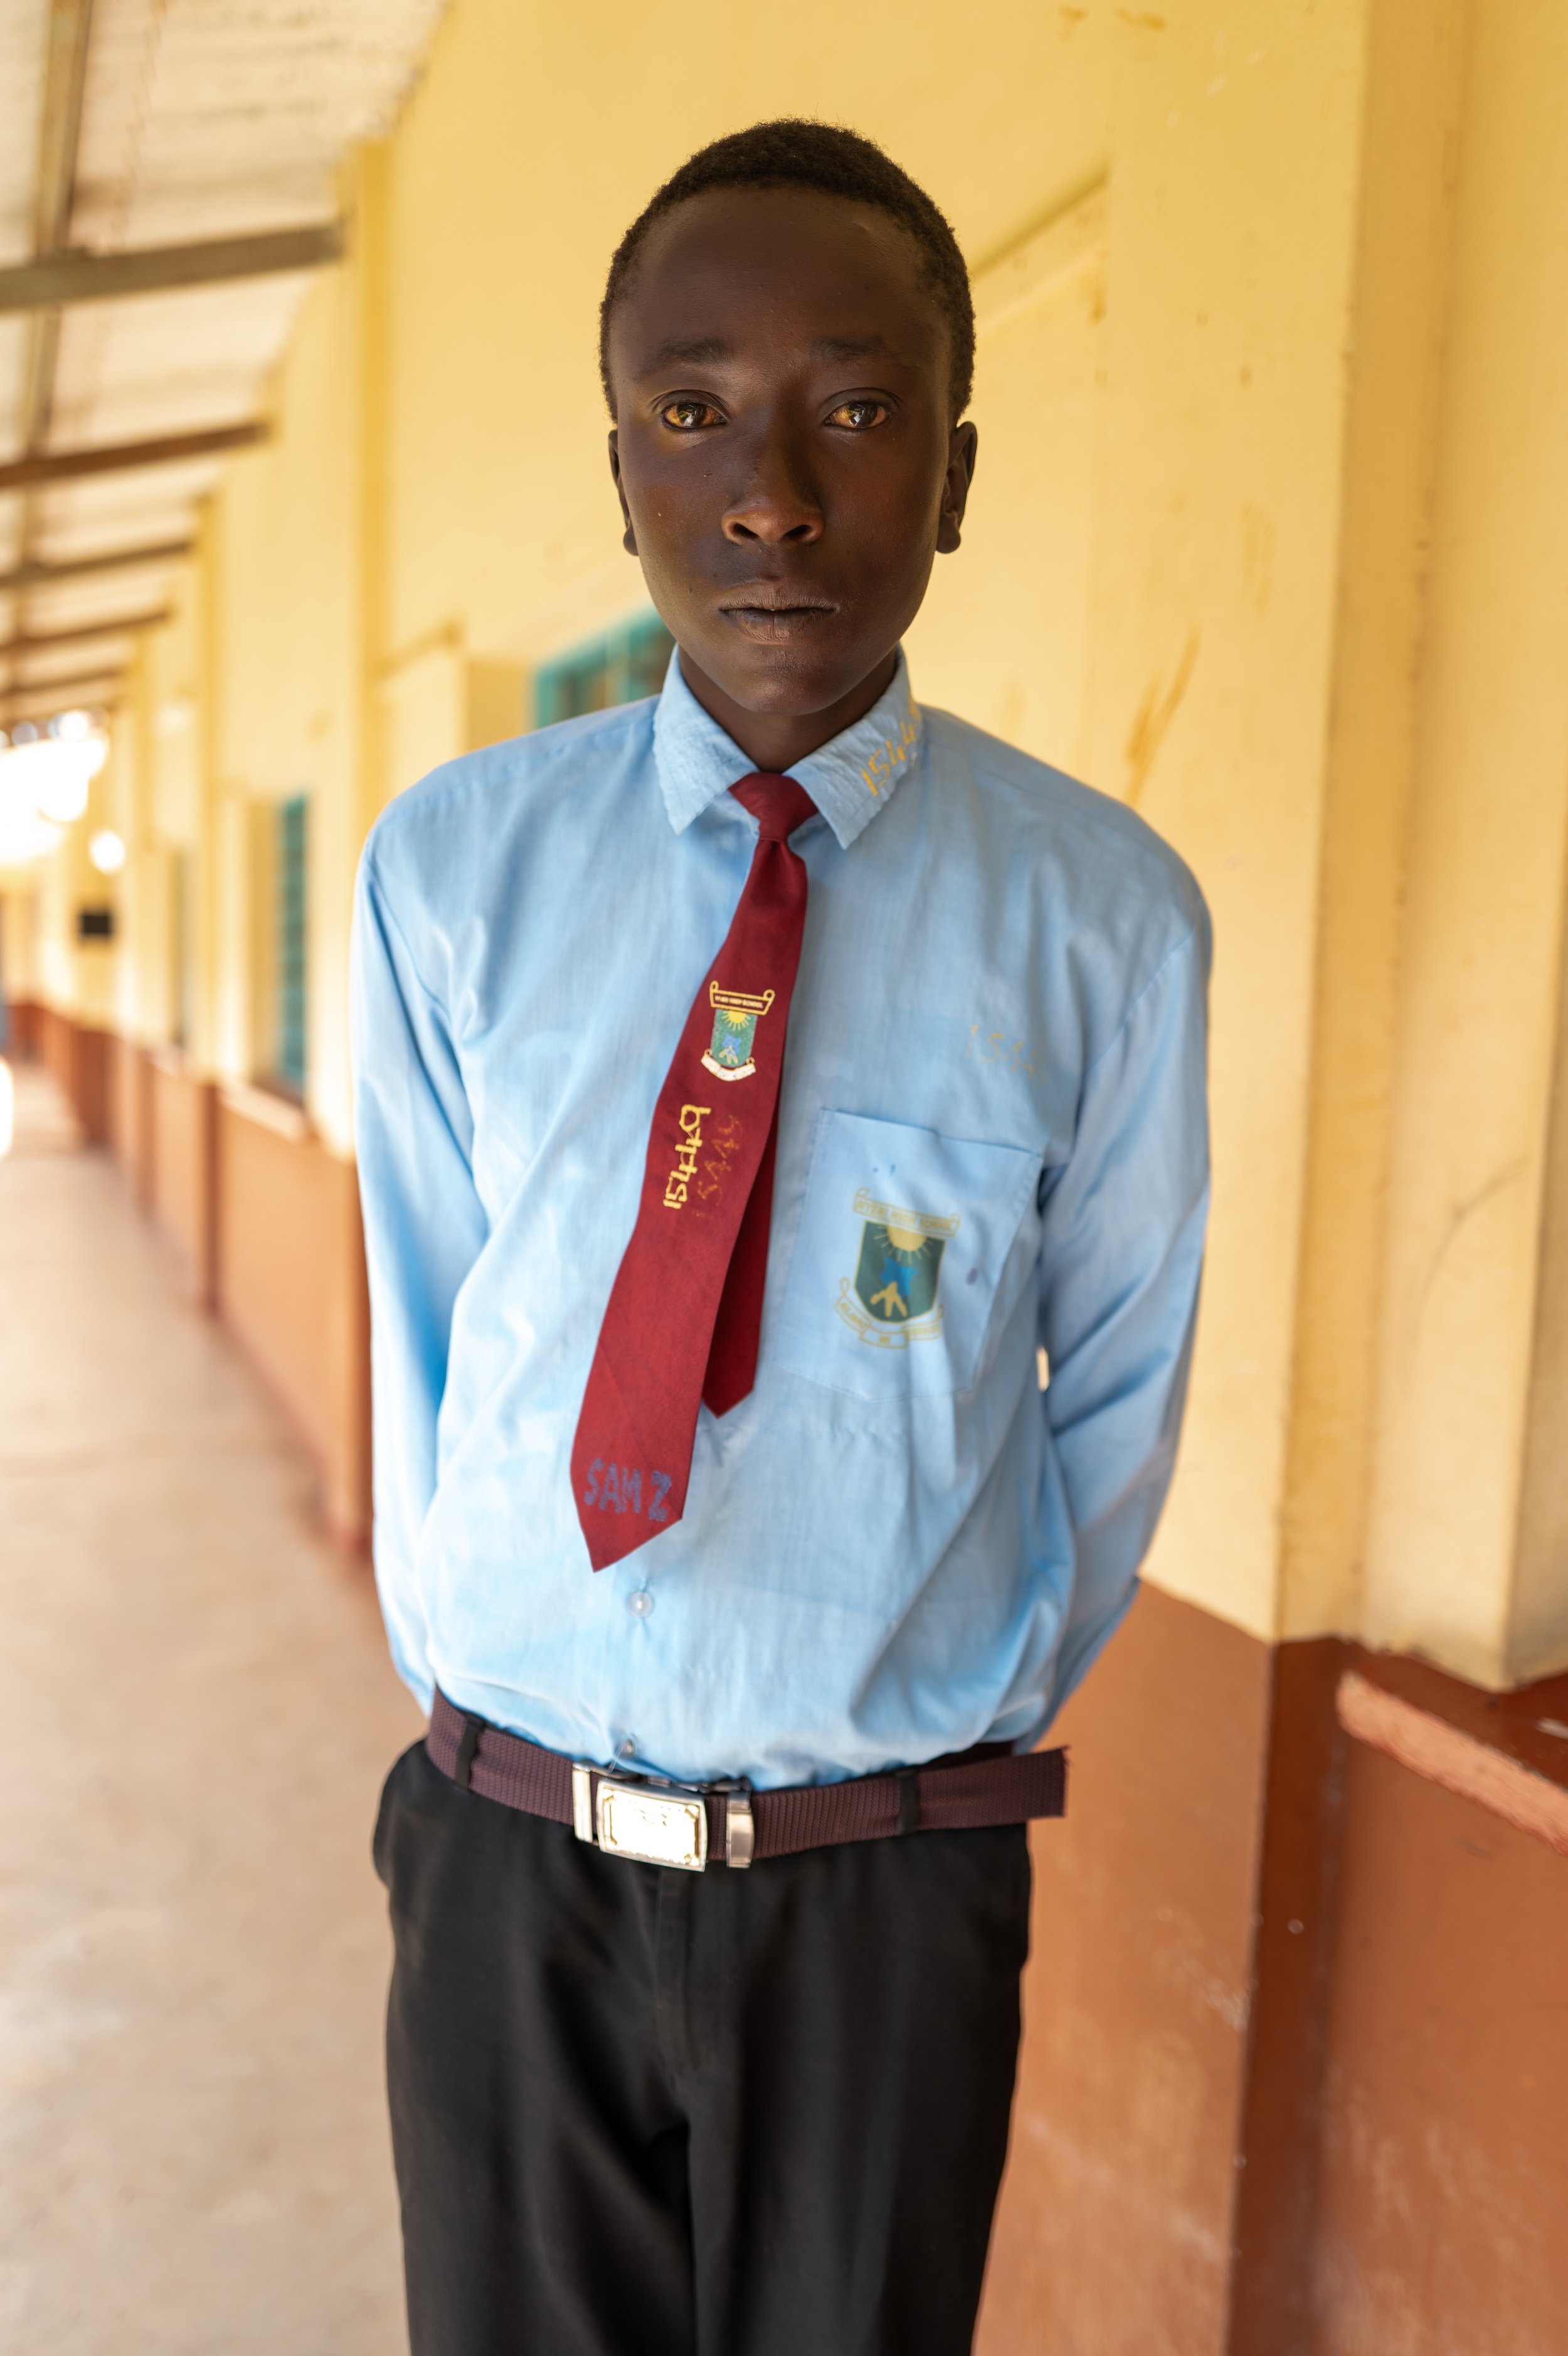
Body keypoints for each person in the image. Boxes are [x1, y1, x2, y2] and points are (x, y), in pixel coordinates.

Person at [352, 118, 1210, 2356]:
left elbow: (1116, 1374)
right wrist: (466, 1689)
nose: (770, 491)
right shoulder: (453, 869)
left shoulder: (1100, 916)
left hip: (881, 1877)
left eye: (854, 406)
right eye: (690, 407)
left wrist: (954, 1730)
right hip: (509, 1848)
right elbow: (430, 1317)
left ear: (954, 465)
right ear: (620, 458)